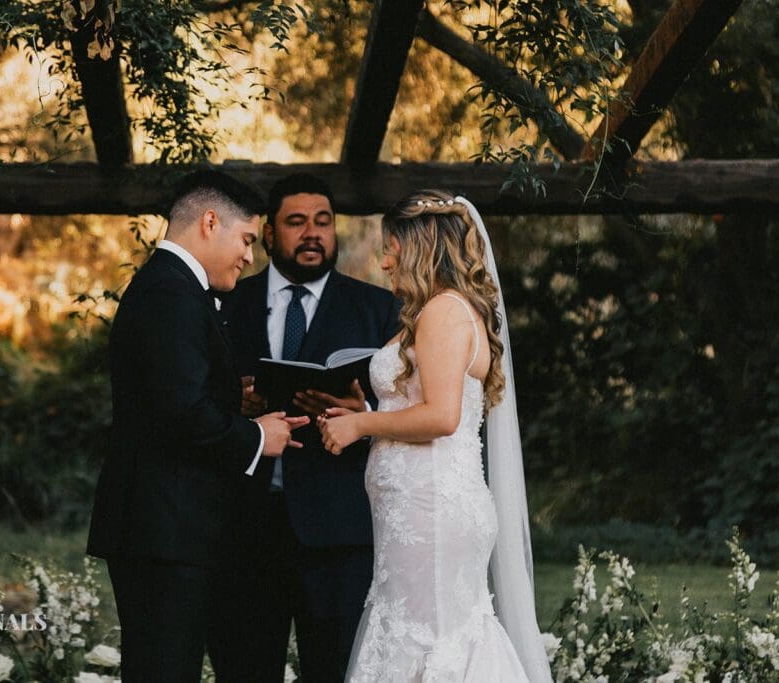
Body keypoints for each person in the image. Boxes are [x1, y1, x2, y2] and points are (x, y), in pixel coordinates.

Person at [317, 190, 553, 682]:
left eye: (392, 250)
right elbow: (420, 406)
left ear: (421, 248)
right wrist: (363, 411)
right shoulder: (433, 312)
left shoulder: (445, 311)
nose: (383, 263)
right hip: (418, 510)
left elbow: (442, 417)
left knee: (432, 639)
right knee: (418, 631)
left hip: (433, 513)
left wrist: (361, 425)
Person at [86, 170, 309, 683]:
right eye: (247, 239)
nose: (250, 257)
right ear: (210, 222)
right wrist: (260, 436)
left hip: (168, 527)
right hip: (162, 529)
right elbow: (183, 415)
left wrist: (236, 398)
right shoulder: (170, 293)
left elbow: (168, 396)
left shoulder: (174, 287)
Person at [210, 174, 400, 682]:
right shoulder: (227, 302)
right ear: (269, 234)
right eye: (296, 223)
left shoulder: (379, 309)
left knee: (335, 670)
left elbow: (407, 406)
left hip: (338, 531)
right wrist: (238, 401)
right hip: (245, 528)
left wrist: (363, 408)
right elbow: (195, 396)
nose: (312, 233)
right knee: (244, 670)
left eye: (323, 222)